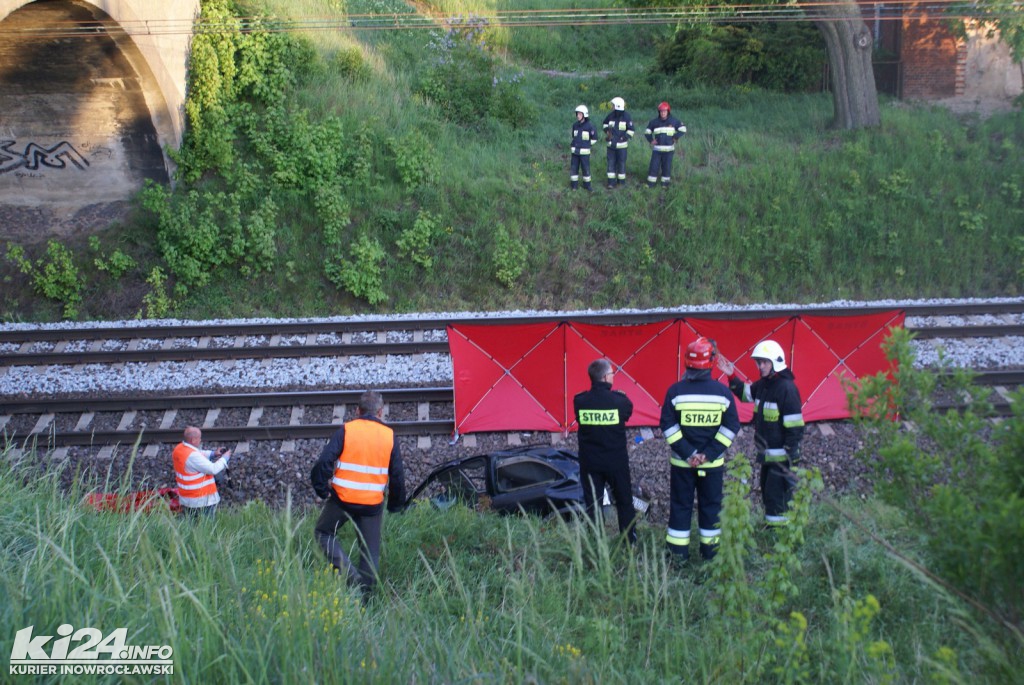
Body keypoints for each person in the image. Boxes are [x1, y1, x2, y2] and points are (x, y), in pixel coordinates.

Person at [311, 389, 405, 596]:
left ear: (357, 411)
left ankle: (350, 576)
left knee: (323, 533)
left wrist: (321, 488)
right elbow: (397, 475)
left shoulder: (346, 430)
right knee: (369, 552)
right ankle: (366, 598)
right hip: (371, 505)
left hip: (341, 501)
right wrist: (396, 504)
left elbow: (323, 462)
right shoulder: (389, 436)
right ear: (380, 412)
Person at [660, 337, 740, 561]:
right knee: (711, 508)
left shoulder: (675, 392)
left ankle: (677, 558)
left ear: (686, 362)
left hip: (682, 464)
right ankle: (711, 558)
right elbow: (731, 426)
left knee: (680, 507)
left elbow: (668, 426)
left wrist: (689, 454)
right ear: (711, 362)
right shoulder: (723, 394)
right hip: (712, 465)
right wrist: (708, 454)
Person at [719, 340, 805, 528]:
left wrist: (789, 456)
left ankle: (779, 535)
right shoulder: (765, 385)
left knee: (778, 496)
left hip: (782, 458)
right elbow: (745, 394)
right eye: (759, 362)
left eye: (764, 362)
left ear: (776, 362)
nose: (760, 366)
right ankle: (773, 530)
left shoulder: (786, 389)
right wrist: (731, 376)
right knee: (768, 493)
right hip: (768, 456)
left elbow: (795, 426)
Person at [573, 359, 637, 544]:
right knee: (624, 502)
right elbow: (627, 412)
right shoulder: (620, 400)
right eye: (612, 374)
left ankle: (596, 542)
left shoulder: (580, 400)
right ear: (604, 377)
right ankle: (629, 542)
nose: (613, 377)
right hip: (615, 462)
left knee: (594, 504)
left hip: (590, 462)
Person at [172, 426, 231, 517]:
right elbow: (213, 469)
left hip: (188, 498)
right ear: (193, 440)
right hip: (201, 499)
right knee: (208, 527)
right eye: (199, 438)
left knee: (192, 525)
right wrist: (225, 458)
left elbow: (198, 453)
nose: (200, 440)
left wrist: (213, 454)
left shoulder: (179, 448)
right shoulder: (192, 456)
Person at [644, 102, 686, 188]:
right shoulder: (654, 122)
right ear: (659, 112)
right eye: (661, 111)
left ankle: (665, 185)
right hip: (657, 150)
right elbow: (647, 132)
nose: (663, 113)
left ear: (668, 111)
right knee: (653, 166)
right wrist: (651, 140)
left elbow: (683, 129)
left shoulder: (674, 121)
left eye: (665, 111)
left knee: (666, 167)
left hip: (669, 150)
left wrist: (676, 137)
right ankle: (651, 184)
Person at [602, 96, 634, 188]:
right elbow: (604, 124)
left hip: (622, 147)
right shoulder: (610, 116)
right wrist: (607, 131)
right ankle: (611, 183)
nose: (611, 107)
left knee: (621, 164)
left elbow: (631, 130)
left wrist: (624, 137)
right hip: (611, 145)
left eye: (613, 105)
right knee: (611, 163)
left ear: (617, 106)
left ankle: (621, 182)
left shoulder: (627, 117)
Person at [570, 104, 598, 191]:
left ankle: (587, 186)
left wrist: (587, 145)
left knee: (586, 169)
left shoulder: (590, 126)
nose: (578, 116)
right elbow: (573, 137)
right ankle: (574, 186)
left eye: (580, 114)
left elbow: (595, 138)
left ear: (584, 115)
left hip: (584, 153)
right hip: (575, 152)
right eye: (577, 114)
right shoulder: (575, 125)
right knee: (574, 169)